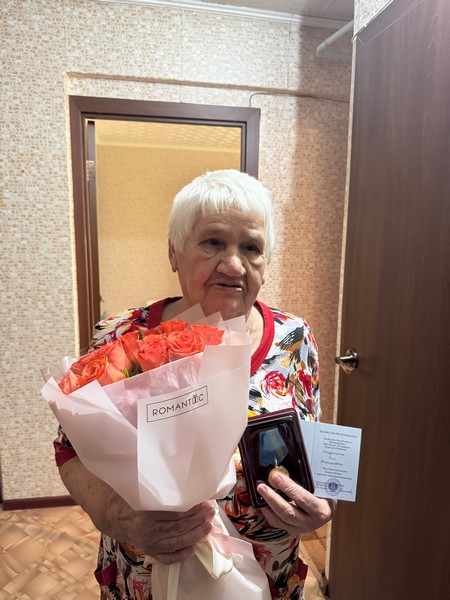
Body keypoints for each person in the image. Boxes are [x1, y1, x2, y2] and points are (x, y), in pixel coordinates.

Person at [54, 169, 334, 599]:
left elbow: (312, 451)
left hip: (267, 576)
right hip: (147, 574)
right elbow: (70, 449)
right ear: (174, 253)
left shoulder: (295, 338)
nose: (234, 265)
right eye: (212, 242)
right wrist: (119, 516)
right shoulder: (121, 336)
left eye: (251, 247)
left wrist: (319, 507)